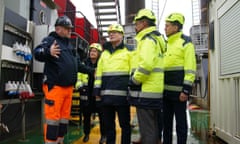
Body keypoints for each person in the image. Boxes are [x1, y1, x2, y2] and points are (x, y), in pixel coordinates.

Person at [34, 15, 94, 144]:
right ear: (58, 29)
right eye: (67, 28)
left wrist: (92, 71)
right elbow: (37, 52)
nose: (69, 31)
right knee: (53, 119)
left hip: (68, 89)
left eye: (70, 28)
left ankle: (60, 140)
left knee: (63, 118)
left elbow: (79, 65)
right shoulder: (50, 40)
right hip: (55, 87)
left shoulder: (71, 47)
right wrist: (48, 51)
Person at [128, 9, 165, 144]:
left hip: (145, 91)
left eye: (136, 24)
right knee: (153, 124)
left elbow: (146, 65)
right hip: (153, 90)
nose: (135, 27)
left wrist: (134, 80)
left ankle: (147, 140)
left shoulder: (147, 40)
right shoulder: (156, 39)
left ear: (144, 23)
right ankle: (148, 140)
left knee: (147, 126)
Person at [93, 24, 132, 144]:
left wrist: (131, 91)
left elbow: (132, 72)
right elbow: (98, 74)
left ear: (121, 35)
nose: (111, 34)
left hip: (123, 97)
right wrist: (96, 91)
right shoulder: (104, 54)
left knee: (125, 125)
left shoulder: (129, 51)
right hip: (106, 97)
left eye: (115, 32)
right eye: (110, 32)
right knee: (109, 126)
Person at [163, 13, 196, 144]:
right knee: (166, 124)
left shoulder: (186, 43)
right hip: (165, 93)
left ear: (176, 27)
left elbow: (190, 69)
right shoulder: (165, 44)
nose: (165, 28)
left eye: (167, 26)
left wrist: (186, 90)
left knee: (181, 124)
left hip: (179, 93)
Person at [76, 43, 106, 143]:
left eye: (95, 51)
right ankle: (86, 134)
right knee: (86, 115)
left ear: (99, 53)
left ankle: (103, 136)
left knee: (102, 116)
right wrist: (80, 86)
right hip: (86, 93)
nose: (92, 53)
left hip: (98, 93)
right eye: (91, 51)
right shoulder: (83, 63)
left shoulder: (103, 64)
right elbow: (78, 76)